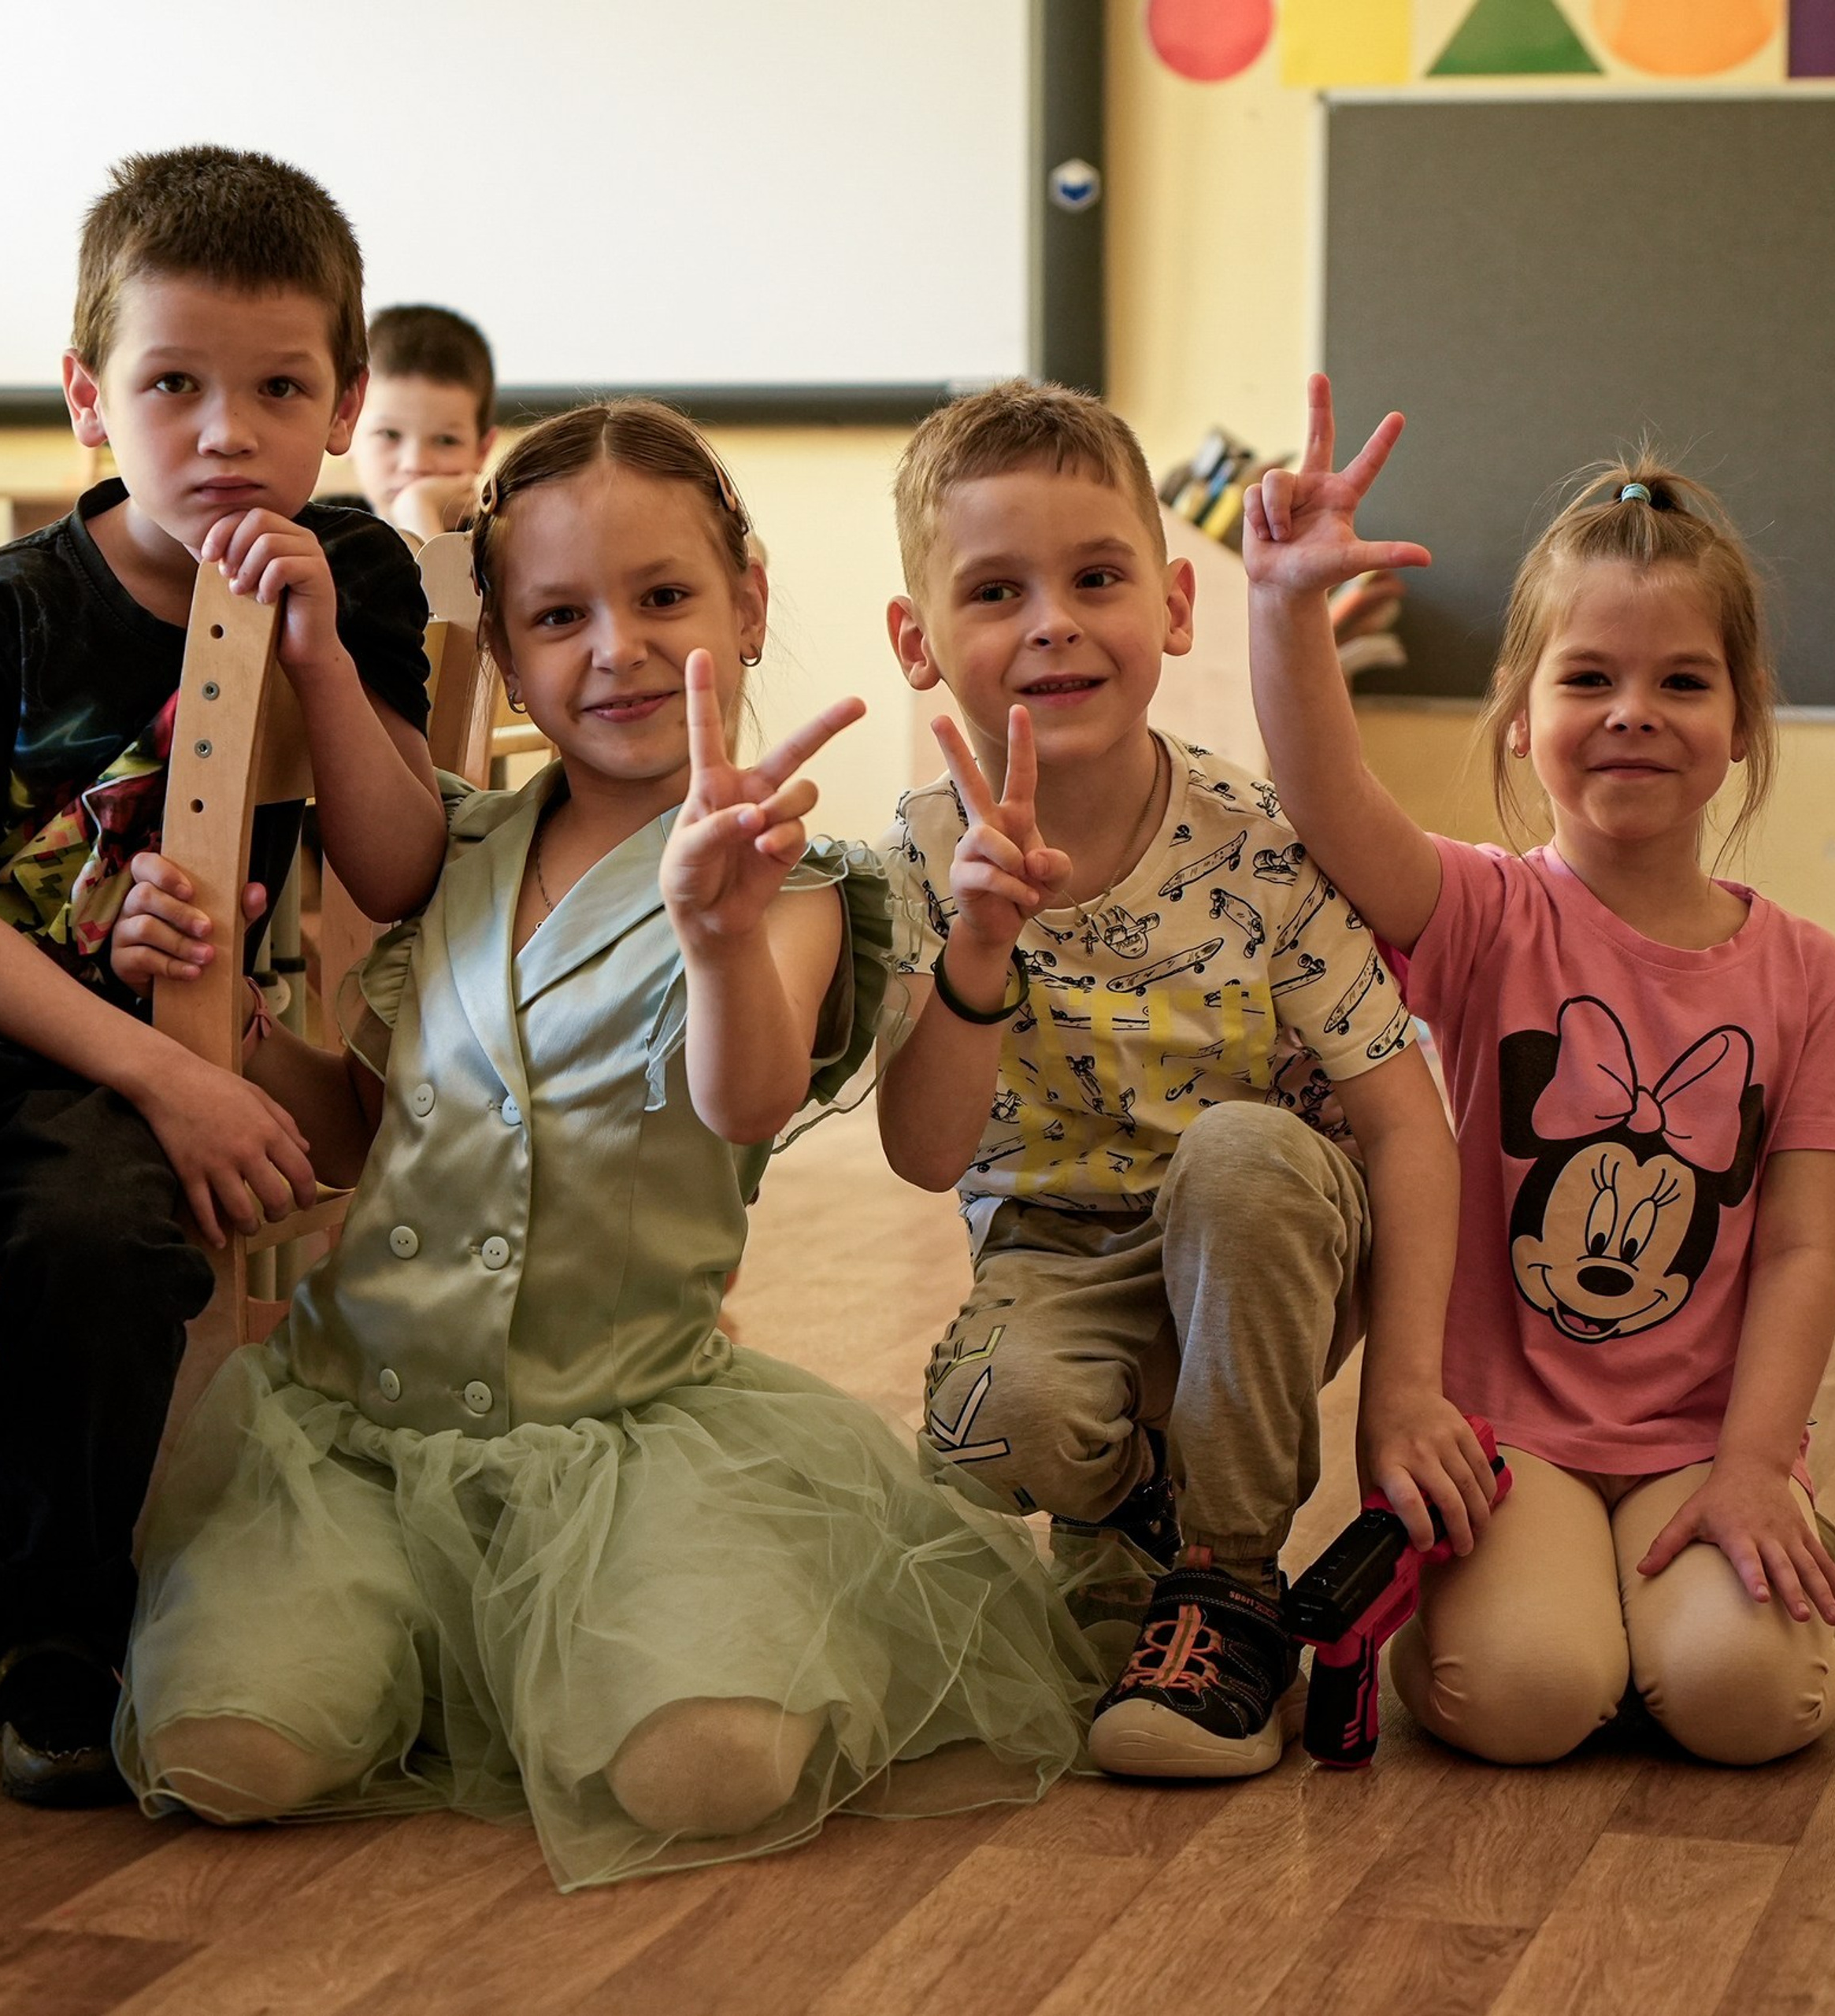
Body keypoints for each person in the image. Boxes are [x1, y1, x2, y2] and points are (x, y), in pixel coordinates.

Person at [108, 398, 1096, 1892]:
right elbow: (378, 1132)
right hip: (354, 1441)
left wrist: (710, 932)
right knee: (223, 1758)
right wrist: (231, 1030)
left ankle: (561, 1656)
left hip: (629, 1443)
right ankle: (432, 1646)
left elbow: (745, 1096)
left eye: (663, 599)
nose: (617, 649)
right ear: (503, 653)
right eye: (560, 616)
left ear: (749, 601)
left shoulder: (797, 880)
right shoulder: (459, 852)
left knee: (712, 1772)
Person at [0, 144, 446, 1929]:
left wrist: (321, 653)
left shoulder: (358, 577)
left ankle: (56, 1644)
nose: (223, 433)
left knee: (105, 1231)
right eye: (171, 384)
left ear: (339, 405)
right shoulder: (5, 611)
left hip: (110, 1044)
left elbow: (395, 866)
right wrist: (174, 1065)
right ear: (91, 394)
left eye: (277, 388)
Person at [878, 380, 1491, 1783]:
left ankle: (1227, 1579)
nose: (1053, 622)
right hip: (1053, 1251)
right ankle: (1129, 1521)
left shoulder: (1258, 843)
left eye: (1097, 578)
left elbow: (1407, 1126)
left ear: (1173, 605)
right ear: (918, 642)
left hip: (1267, 1236)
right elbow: (924, 1154)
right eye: (996, 590)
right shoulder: (915, 856)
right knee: (994, 1428)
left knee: (1241, 1154)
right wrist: (978, 944)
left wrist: (1404, 1388)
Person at [1243, 373, 1835, 1765]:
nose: (1635, 711)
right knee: (1523, 1701)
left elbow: (1805, 1251)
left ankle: (1678, 1617)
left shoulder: (1808, 973)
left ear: (1744, 720)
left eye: (1682, 681)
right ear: (1520, 715)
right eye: (1588, 678)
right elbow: (1326, 802)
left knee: (1758, 1707)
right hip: (1513, 1435)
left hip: (1705, 1436)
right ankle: (1582, 1621)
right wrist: (1283, 609)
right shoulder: (1482, 914)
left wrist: (1759, 1464)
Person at [341, 305, 497, 545]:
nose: (415, 464)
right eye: (390, 434)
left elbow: (442, 586)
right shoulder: (322, 532)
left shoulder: (499, 545)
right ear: (346, 426)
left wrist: (418, 512)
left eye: (447, 440)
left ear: (482, 451)